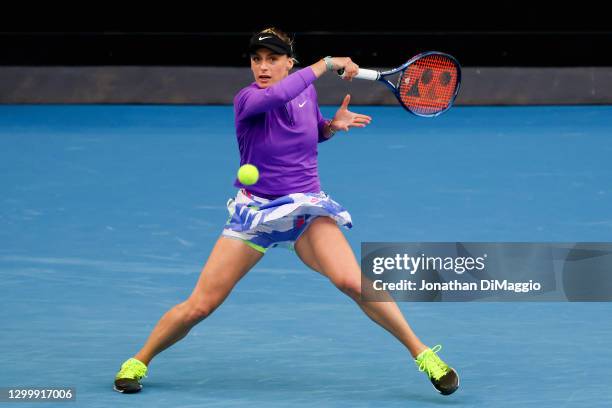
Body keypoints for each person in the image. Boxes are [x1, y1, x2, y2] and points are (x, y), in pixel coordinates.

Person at [113, 27, 459, 396]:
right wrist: (326, 63)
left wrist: (329, 128)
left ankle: (423, 354)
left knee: (353, 282)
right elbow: (279, 94)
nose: (263, 67)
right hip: (256, 217)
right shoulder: (247, 99)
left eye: (273, 59)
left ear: (288, 62)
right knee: (200, 306)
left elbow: (304, 135)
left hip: (304, 211)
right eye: (256, 59)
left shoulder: (304, 89)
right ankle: (138, 360)